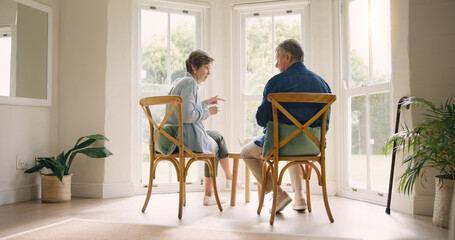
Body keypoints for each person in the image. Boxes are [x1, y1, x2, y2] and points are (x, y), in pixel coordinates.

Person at [240, 39, 332, 213]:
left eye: (278, 59)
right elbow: (325, 125)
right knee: (293, 142)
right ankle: (299, 196)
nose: (276, 65)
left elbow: (261, 119)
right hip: (312, 145)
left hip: (280, 145)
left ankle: (277, 192)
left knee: (246, 152)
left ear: (287, 57)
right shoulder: (322, 84)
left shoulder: (275, 83)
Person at [166, 50, 233, 206]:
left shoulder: (181, 82)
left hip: (178, 133)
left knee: (217, 135)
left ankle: (228, 179)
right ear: (193, 67)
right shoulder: (190, 84)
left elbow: (185, 110)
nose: (208, 73)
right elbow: (188, 116)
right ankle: (217, 189)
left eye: (210, 69)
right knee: (215, 145)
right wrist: (208, 112)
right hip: (183, 137)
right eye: (206, 68)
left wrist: (205, 103)